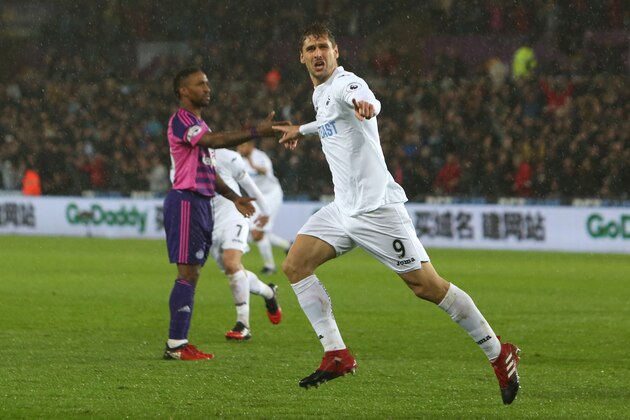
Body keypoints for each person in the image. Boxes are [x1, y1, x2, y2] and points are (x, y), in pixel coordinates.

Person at [272, 23, 521, 405]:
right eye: (311, 49)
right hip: (343, 208)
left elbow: (362, 99)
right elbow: (330, 121)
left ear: (337, 52)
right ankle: (337, 354)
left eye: (324, 46)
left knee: (428, 286)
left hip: (376, 209)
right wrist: (300, 130)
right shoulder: (321, 94)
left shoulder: (346, 83)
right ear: (301, 57)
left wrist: (367, 106)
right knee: (295, 265)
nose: (318, 53)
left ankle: (497, 352)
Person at [162, 67, 287, 361]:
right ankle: (176, 345)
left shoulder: (198, 123)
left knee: (193, 273)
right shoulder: (182, 120)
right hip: (186, 202)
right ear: (183, 91)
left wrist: (234, 197)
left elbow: (209, 170)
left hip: (202, 202)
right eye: (199, 83)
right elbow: (213, 142)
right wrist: (257, 131)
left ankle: (179, 343)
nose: (207, 87)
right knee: (187, 273)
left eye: (207, 82)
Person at [210, 147, 283, 341]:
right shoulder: (183, 161)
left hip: (234, 217)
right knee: (234, 271)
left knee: (231, 264)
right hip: (209, 224)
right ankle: (269, 292)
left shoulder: (226, 156)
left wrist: (265, 211)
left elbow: (250, 186)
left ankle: (243, 325)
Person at [237, 141, 292, 274]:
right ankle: (288, 246)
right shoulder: (237, 159)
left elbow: (264, 171)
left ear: (251, 146)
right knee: (256, 232)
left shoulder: (260, 156)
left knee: (258, 232)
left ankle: (270, 267)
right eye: (239, 146)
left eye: (243, 145)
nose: (240, 148)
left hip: (271, 195)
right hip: (256, 197)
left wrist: (251, 162)